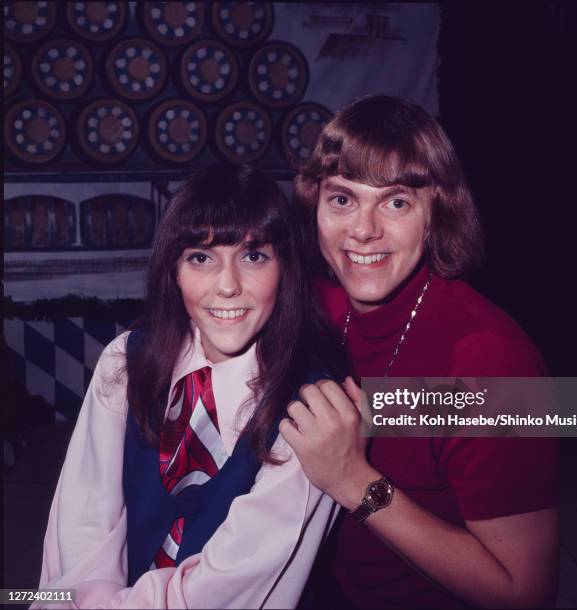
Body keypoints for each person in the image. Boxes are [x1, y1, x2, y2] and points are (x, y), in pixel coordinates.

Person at [281, 96, 560, 609]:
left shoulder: (491, 364)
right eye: (342, 199)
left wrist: (354, 481)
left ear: (437, 213)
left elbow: (525, 593)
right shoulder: (326, 305)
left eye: (396, 202)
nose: (363, 229)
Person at [34, 164, 346, 609]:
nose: (227, 286)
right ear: (173, 270)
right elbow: (82, 527)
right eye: (201, 258)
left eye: (253, 256)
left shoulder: (311, 410)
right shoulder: (126, 362)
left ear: (286, 269)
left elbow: (228, 588)